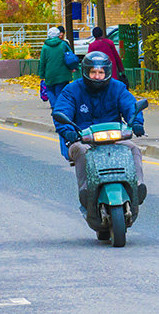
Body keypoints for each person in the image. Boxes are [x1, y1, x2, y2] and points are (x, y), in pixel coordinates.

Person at [52, 51, 147, 206]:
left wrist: (136, 122)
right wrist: (68, 130)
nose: (97, 76)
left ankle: (137, 186)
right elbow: (62, 111)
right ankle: (86, 191)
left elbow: (130, 105)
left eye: (101, 72)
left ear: (107, 72)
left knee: (134, 149)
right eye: (93, 72)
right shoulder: (72, 90)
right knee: (82, 151)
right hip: (82, 139)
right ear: (86, 72)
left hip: (114, 138)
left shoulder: (118, 88)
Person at [39, 26, 79, 158]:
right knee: (62, 92)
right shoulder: (63, 45)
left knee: (50, 91)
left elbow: (42, 62)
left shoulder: (45, 47)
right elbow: (70, 56)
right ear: (58, 35)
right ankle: (61, 110)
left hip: (50, 74)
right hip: (63, 74)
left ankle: (56, 109)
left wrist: (41, 74)